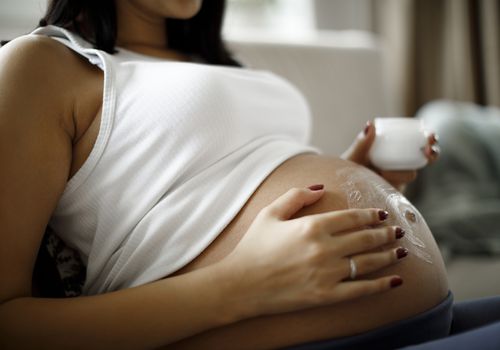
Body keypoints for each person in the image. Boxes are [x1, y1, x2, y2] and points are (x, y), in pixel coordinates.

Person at [0, 1, 498, 349]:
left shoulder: (214, 63)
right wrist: (239, 286)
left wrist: (356, 174)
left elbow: (224, 184)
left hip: (414, 315)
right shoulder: (40, 64)